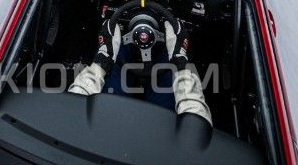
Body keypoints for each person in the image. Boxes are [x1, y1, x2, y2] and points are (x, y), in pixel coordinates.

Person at [68, 19, 212, 126]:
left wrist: (103, 60)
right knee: (167, 63)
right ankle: (163, 52)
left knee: (118, 57)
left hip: (106, 126)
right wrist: (179, 61)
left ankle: (121, 50)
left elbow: (74, 110)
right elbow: (195, 126)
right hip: (162, 133)